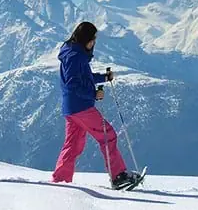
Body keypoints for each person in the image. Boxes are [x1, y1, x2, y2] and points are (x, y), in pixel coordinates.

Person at [52, 21, 143, 190]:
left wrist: (103, 78)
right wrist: (93, 94)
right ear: (86, 38)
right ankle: (118, 176)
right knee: (108, 135)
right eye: (93, 39)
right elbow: (74, 84)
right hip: (81, 107)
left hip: (71, 108)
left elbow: (82, 79)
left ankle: (60, 181)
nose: (94, 42)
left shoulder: (72, 52)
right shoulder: (75, 56)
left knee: (73, 145)